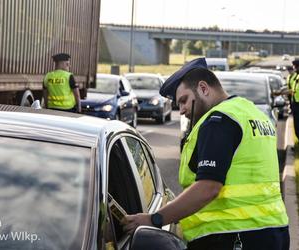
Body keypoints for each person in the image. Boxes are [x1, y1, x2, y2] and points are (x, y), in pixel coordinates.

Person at [122, 58, 290, 250]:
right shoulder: (254, 114)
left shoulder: (218, 121)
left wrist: (155, 219)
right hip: (274, 232)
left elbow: (208, 187)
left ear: (203, 88)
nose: (182, 109)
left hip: (232, 237)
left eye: (184, 100)